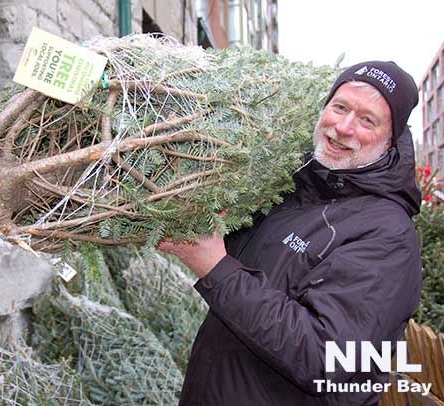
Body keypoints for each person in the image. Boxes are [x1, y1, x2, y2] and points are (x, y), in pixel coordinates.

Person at [158, 61, 423, 405]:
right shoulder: (296, 190)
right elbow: (254, 267)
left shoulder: (388, 236)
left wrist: (215, 268)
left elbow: (327, 359)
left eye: (366, 119)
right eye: (339, 107)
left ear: (389, 143)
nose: (343, 127)